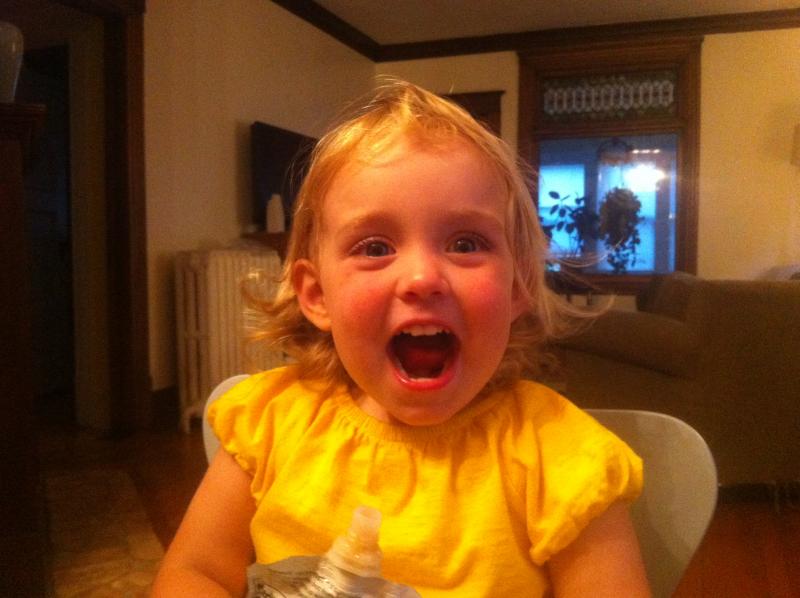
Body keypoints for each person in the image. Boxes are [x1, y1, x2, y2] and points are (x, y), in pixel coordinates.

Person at [152, 80, 650, 597]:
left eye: (465, 243)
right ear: (317, 295)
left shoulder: (563, 460)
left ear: (517, 286)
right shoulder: (268, 424)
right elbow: (195, 573)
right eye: (374, 247)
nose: (421, 278)